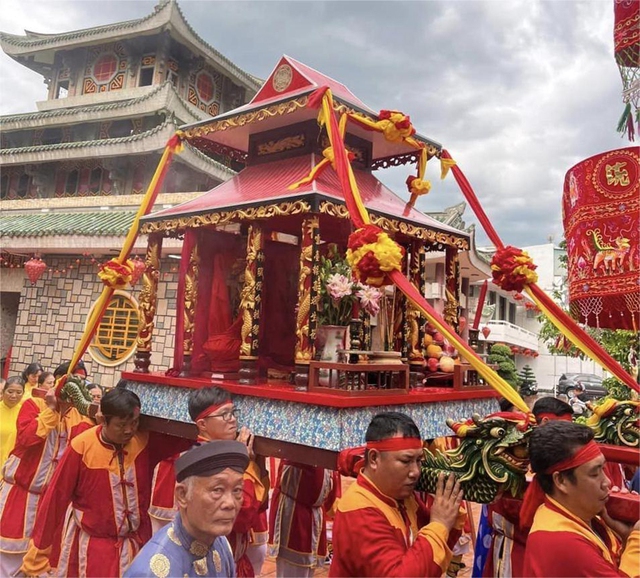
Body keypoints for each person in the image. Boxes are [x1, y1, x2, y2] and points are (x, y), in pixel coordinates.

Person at [19, 387, 190, 577]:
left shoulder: (143, 442)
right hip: (92, 550)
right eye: (121, 424)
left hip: (136, 546)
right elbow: (55, 500)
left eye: (134, 423)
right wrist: (37, 557)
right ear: (103, 420)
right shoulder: (81, 446)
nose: (129, 430)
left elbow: (187, 435)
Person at [149, 386, 269, 577]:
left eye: (233, 413)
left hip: (233, 564)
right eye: (224, 415)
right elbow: (242, 517)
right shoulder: (197, 463)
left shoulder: (234, 453)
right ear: (202, 424)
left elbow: (259, 508)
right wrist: (245, 466)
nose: (232, 420)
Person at [329, 412, 465, 577]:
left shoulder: (400, 496)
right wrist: (440, 523)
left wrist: (449, 515)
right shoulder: (359, 511)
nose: (415, 472)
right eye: (406, 461)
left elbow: (438, 546)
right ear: (374, 459)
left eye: (418, 461)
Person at [0, 370, 93, 577]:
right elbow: (26, 438)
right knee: (8, 563)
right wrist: (51, 409)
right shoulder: (33, 404)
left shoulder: (80, 418)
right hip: (21, 496)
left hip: (51, 505)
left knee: (42, 565)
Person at [522, 421, 640, 577]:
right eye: (594, 474)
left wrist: (626, 536)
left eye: (603, 469)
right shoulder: (563, 542)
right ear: (561, 481)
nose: (607, 482)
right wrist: (637, 542)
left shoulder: (581, 516)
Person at [125, 440, 250, 577]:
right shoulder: (152, 572)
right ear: (182, 495)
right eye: (217, 490)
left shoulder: (220, 543)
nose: (230, 503)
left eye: (237, 490)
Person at [268, 460, 340, 577]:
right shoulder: (296, 447)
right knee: (291, 569)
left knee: (306, 571)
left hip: (314, 514)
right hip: (294, 513)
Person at [0, 377, 24, 470]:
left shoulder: (25, 413)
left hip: (11, 467)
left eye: (18, 392)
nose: (14, 396)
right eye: (10, 392)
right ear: (3, 391)